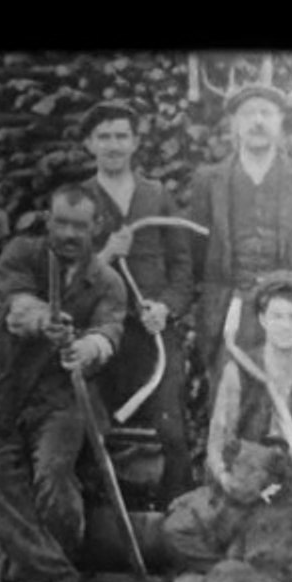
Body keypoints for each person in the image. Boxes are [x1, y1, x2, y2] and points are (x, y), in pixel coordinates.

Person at [0, 185, 128, 582]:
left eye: (80, 226)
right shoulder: (21, 254)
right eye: (61, 223)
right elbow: (17, 307)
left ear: (96, 227)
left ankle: (35, 580)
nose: (69, 234)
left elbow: (110, 330)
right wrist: (43, 321)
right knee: (1, 484)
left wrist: (88, 348)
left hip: (63, 397)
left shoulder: (108, 282)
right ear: (48, 221)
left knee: (54, 476)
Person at [160, 271, 292, 582]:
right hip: (248, 480)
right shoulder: (238, 370)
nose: (285, 325)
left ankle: (252, 579)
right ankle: (248, 576)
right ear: (263, 320)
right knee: (175, 530)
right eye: (277, 316)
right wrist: (228, 480)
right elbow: (217, 444)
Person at [79, 100, 195, 504]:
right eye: (104, 137)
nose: (114, 145)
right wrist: (105, 256)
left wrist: (166, 308)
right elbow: (65, 276)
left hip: (155, 334)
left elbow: (182, 267)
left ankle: (174, 521)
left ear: (134, 143)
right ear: (89, 144)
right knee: (95, 433)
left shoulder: (156, 195)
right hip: (100, 334)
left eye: (121, 136)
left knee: (171, 431)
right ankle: (105, 524)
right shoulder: (78, 199)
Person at [186, 82, 292, 381]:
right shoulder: (209, 180)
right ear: (234, 123)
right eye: (248, 114)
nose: (257, 121)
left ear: (280, 121)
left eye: (266, 113)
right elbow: (196, 251)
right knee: (227, 387)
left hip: (288, 308)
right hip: (231, 305)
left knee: (286, 393)